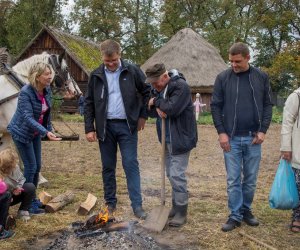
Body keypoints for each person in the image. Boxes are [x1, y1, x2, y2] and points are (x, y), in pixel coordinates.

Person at [84, 39, 151, 219]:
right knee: (108, 167)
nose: (111, 64)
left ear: (119, 55)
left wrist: (143, 116)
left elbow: (147, 92)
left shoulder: (132, 70)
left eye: (114, 60)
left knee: (130, 164)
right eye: (107, 61)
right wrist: (89, 128)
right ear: (102, 58)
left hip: (127, 126)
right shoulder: (96, 75)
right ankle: (110, 204)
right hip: (105, 128)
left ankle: (137, 206)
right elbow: (89, 102)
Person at [211, 42, 273, 232]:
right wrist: (221, 132)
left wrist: (263, 130)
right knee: (233, 180)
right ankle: (235, 215)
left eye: (237, 61)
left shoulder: (261, 77)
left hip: (254, 138)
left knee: (251, 179)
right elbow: (215, 106)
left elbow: (268, 105)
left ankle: (246, 210)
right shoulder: (222, 78)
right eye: (231, 61)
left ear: (248, 58)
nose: (233, 65)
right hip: (231, 139)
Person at [145, 64, 198, 226]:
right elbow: (150, 111)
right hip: (166, 139)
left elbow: (172, 109)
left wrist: (156, 102)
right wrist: (156, 104)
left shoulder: (181, 86)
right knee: (170, 173)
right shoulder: (158, 89)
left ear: (165, 76)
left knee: (176, 174)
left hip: (181, 139)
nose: (154, 86)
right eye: (152, 83)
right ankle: (175, 207)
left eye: (156, 83)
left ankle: (182, 211)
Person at [7, 62, 61, 213]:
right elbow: (28, 117)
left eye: (50, 73)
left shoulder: (47, 89)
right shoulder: (26, 92)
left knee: (37, 166)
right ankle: (26, 205)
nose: (50, 76)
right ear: (37, 76)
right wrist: (45, 131)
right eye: (46, 74)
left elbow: (46, 112)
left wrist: (49, 129)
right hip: (22, 133)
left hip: (35, 133)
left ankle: (33, 198)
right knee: (30, 167)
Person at [280, 87, 300, 233]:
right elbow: (287, 123)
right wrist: (286, 147)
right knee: (298, 187)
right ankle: (298, 217)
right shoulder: (297, 96)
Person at [0, 148, 36, 222]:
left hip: (13, 194)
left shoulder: (15, 167)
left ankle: (23, 211)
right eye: (12, 165)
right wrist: (9, 195)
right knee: (7, 195)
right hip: (3, 198)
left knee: (30, 187)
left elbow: (21, 179)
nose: (15, 166)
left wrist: (18, 188)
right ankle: (4, 217)